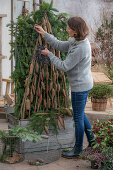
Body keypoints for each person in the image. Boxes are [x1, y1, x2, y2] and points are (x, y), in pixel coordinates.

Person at [34, 16, 95, 158]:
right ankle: (92, 142)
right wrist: (44, 33)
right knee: (81, 114)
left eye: (68, 27)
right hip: (84, 84)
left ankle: (78, 148)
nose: (66, 29)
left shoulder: (80, 48)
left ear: (75, 31)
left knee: (78, 117)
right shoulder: (77, 41)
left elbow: (64, 66)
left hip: (80, 87)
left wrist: (49, 54)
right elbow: (60, 45)